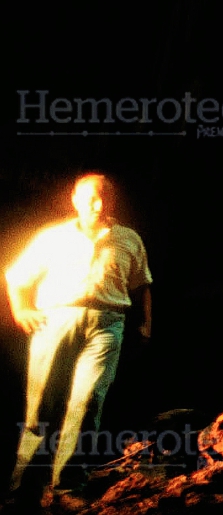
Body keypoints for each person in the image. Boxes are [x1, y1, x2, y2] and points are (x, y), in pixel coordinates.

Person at [6, 174, 152, 501]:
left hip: (107, 322)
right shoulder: (53, 238)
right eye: (90, 199)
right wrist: (21, 310)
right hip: (57, 319)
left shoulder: (128, 239)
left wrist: (145, 325)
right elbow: (16, 277)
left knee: (88, 402)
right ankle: (22, 489)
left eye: (104, 199)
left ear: (113, 202)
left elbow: (141, 285)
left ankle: (68, 485)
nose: (97, 206)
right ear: (75, 200)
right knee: (42, 403)